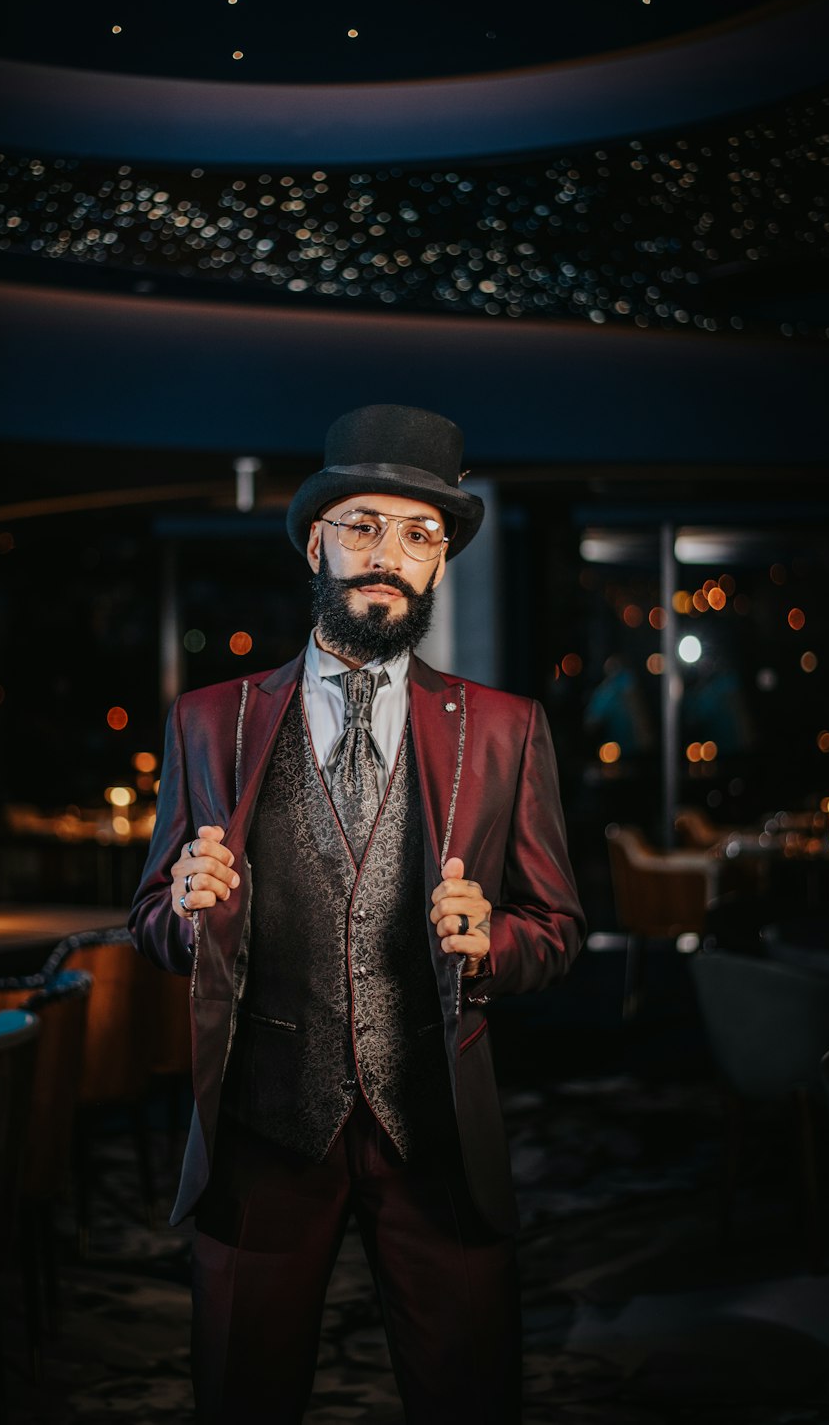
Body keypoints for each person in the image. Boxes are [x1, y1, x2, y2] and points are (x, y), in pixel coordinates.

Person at [129, 404, 585, 1424]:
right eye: (366, 525)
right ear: (315, 541)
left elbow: (555, 931)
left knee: (468, 1396)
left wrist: (491, 943)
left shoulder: (506, 730)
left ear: (437, 566)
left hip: (435, 1136)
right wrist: (186, 911)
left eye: (421, 536)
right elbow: (151, 924)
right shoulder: (213, 720)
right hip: (262, 1129)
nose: (391, 554)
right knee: (242, 1397)